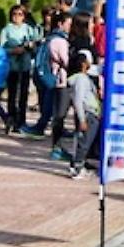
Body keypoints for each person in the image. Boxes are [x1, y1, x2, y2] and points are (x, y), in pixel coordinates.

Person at [66, 50, 102, 180]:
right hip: (88, 114)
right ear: (82, 64)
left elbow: (98, 70)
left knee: (86, 141)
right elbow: (78, 100)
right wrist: (82, 119)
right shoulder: (81, 79)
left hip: (92, 113)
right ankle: (77, 168)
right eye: (87, 61)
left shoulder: (83, 77)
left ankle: (79, 165)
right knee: (84, 142)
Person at [0, 6, 34, 135]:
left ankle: (22, 122)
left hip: (25, 65)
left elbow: (34, 45)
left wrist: (30, 46)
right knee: (12, 95)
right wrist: (13, 51)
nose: (17, 16)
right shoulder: (6, 30)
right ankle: (12, 120)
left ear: (24, 16)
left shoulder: (28, 29)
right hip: (12, 66)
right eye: (14, 14)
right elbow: (2, 48)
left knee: (23, 95)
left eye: (20, 14)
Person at [45, 12, 72, 161]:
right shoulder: (59, 41)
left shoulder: (53, 39)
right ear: (60, 24)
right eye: (68, 23)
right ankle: (57, 147)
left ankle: (57, 146)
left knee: (59, 115)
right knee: (60, 116)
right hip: (62, 80)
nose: (70, 27)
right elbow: (67, 61)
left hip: (58, 80)